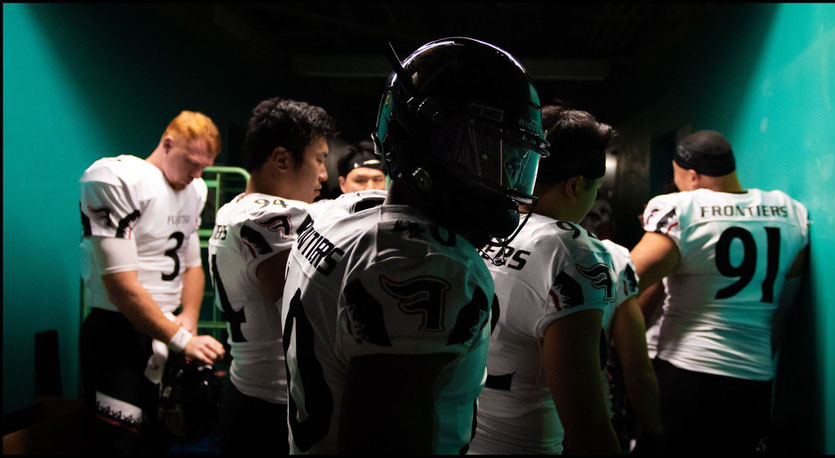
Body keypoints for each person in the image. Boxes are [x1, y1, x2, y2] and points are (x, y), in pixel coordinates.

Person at [280, 37, 549, 454]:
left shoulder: (338, 213)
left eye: (511, 162)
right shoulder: (426, 262)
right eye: (481, 155)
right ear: (418, 139)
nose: (502, 183)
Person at [469, 105, 661, 454]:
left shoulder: (481, 228)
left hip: (467, 437)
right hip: (527, 443)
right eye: (595, 189)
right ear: (574, 185)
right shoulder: (571, 251)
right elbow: (586, 424)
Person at [629, 130, 809, 454]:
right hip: (754, 379)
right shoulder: (790, 211)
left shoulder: (680, 208)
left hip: (687, 372)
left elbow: (625, 281)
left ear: (693, 177)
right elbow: (785, 304)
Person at [78, 110, 226, 453]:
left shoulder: (196, 189)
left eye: (204, 166)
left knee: (159, 439)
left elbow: (191, 264)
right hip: (117, 330)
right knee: (118, 440)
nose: (197, 174)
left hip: (166, 327)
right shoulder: (117, 178)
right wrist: (181, 339)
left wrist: (186, 321)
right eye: (191, 162)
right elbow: (120, 287)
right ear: (167, 143)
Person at [206, 98, 335, 455]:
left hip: (246, 392)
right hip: (274, 406)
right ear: (282, 160)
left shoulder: (233, 208)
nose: (324, 175)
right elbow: (312, 307)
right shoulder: (271, 219)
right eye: (320, 159)